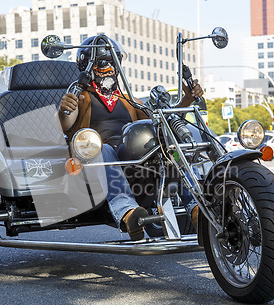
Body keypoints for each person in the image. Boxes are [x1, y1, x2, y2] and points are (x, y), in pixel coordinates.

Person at [58, 36, 203, 240]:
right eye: (101, 62)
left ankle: (198, 207)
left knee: (167, 143)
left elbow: (162, 122)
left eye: (112, 62)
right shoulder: (80, 97)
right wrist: (65, 109)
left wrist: (188, 98)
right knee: (105, 148)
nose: (107, 67)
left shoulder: (128, 100)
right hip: (93, 162)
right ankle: (128, 213)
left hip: (131, 162)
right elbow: (66, 124)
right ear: (87, 65)